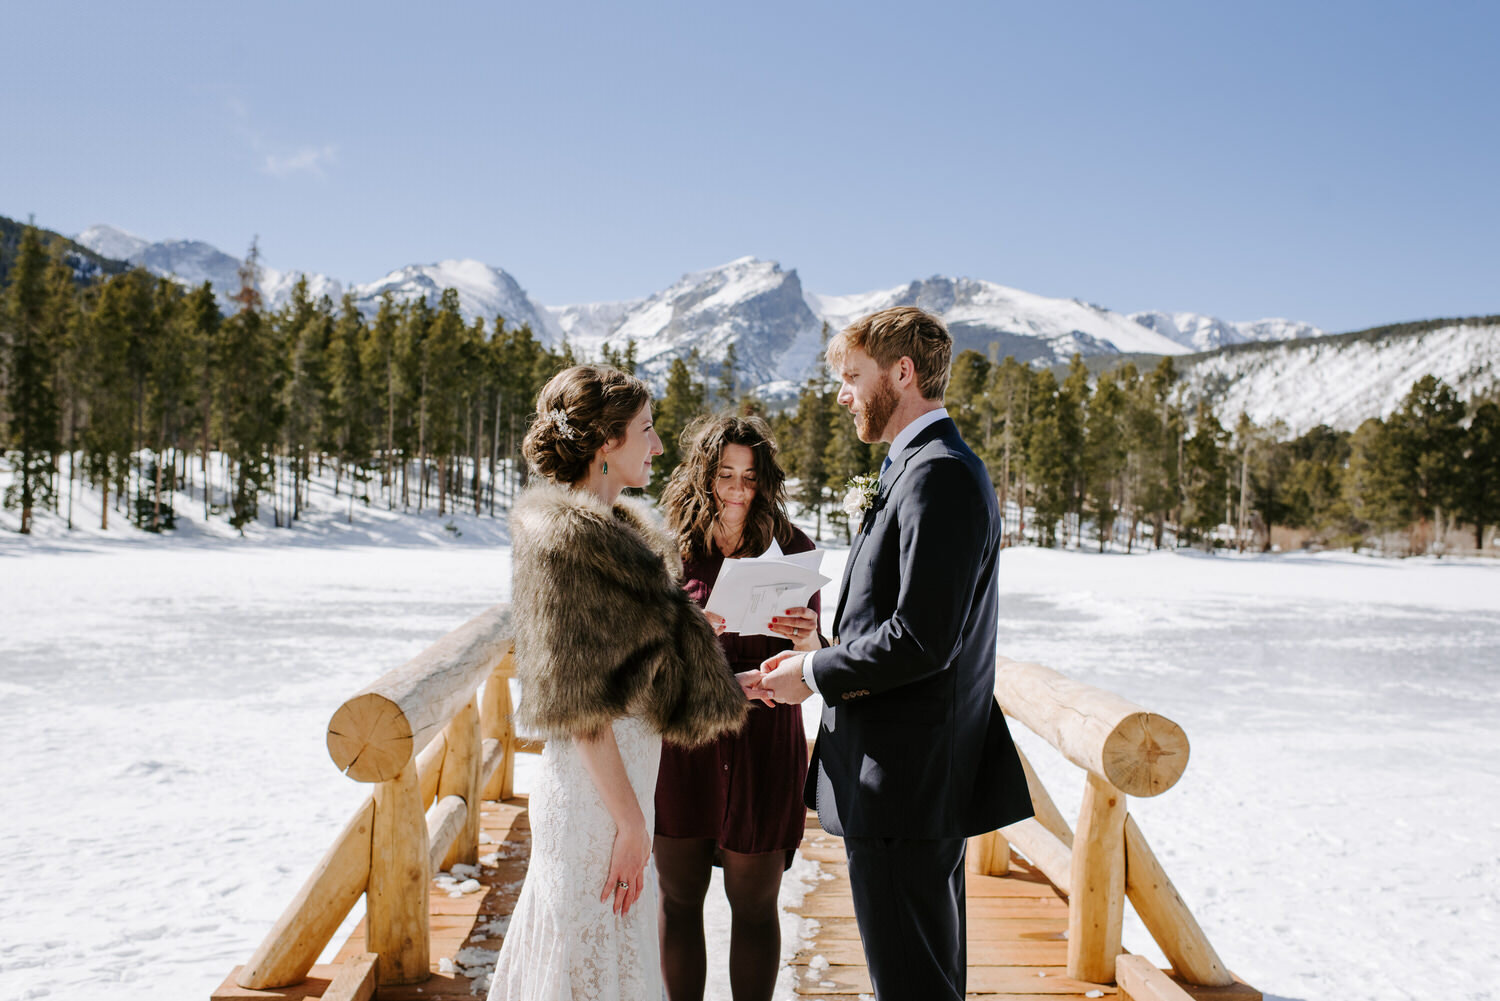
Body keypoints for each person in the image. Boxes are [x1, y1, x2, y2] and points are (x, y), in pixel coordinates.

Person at [754, 307, 1034, 1001]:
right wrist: (823, 646)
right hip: (906, 775)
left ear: (902, 373)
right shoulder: (918, 467)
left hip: (904, 779)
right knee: (922, 976)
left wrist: (814, 673)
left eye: (853, 377)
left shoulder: (937, 474)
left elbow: (923, 638)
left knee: (912, 983)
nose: (843, 394)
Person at [489, 366, 748, 1001]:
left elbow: (632, 669)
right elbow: (582, 709)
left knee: (618, 958)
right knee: (587, 957)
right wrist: (631, 824)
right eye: (647, 430)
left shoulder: (621, 538)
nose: (658, 445)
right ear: (606, 443)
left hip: (627, 784)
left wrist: (705, 650)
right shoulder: (564, 545)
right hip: (596, 798)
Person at [653, 414, 824, 1001]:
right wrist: (682, 630)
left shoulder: (793, 549)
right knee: (679, 901)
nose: (736, 490)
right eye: (725, 474)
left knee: (755, 906)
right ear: (703, 475)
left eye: (749, 478)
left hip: (765, 744)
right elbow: (638, 659)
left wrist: (809, 641)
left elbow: (817, 663)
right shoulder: (668, 549)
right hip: (686, 744)